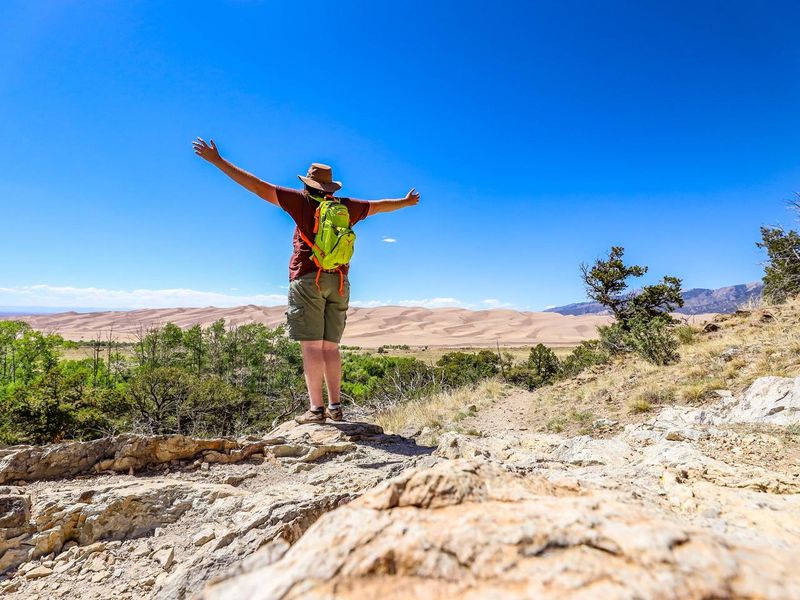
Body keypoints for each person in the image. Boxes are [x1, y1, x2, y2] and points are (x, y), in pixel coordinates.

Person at [192, 137, 420, 424]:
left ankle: (316, 410)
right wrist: (407, 202)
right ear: (331, 186)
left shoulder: (299, 201)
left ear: (308, 184)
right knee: (331, 347)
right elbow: (380, 205)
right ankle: (336, 408)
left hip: (307, 279)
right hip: (338, 280)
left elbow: (258, 187)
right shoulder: (346, 207)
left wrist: (218, 161)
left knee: (311, 347)